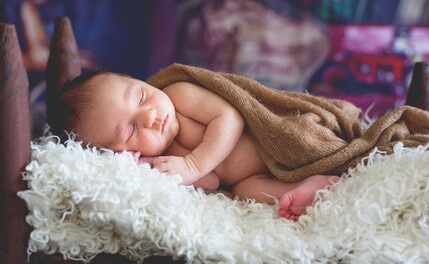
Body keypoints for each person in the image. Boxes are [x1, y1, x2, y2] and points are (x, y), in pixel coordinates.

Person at [58, 70, 339, 220]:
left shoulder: (178, 96)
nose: (150, 116)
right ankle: (305, 187)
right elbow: (214, 182)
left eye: (141, 97)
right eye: (131, 129)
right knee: (244, 192)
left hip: (274, 138)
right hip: (259, 174)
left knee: (299, 135)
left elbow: (230, 116)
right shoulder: (169, 158)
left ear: (139, 80)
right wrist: (152, 171)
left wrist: (193, 165)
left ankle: (312, 164)